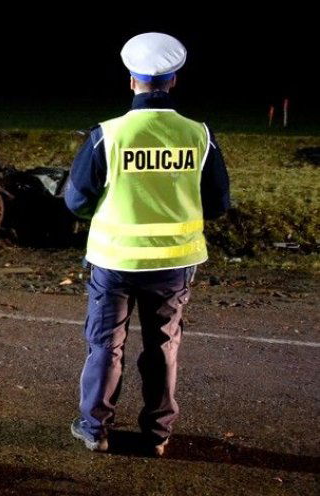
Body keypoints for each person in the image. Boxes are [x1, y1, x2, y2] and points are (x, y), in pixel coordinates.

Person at [64, 32, 231, 456]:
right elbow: (217, 204)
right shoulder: (199, 135)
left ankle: (95, 429)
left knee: (105, 345)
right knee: (162, 347)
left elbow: (77, 200)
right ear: (174, 80)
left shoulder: (108, 134)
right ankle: (157, 435)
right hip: (173, 266)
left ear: (131, 80)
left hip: (114, 261)